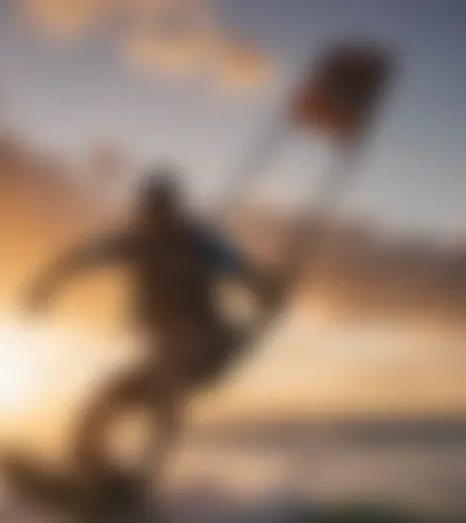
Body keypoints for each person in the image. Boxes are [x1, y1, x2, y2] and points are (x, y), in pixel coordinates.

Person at [24, 170, 287, 482]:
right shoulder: (136, 243)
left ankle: (145, 475)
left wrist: (265, 288)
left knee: (172, 360)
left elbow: (241, 269)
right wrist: (47, 285)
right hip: (161, 360)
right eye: (150, 212)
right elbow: (85, 257)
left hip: (208, 349)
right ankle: (88, 471)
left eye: (161, 211)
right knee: (106, 396)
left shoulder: (200, 244)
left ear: (173, 210)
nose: (155, 220)